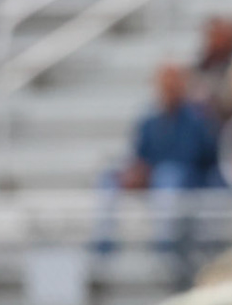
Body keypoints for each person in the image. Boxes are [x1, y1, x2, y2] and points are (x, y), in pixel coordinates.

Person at [90, 62, 223, 267]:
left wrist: (150, 170)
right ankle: (102, 245)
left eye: (173, 83)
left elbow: (194, 156)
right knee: (109, 178)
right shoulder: (149, 121)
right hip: (154, 177)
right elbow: (139, 155)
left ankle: (164, 246)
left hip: (187, 179)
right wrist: (134, 173)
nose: (168, 89)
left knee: (168, 175)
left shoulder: (196, 118)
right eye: (164, 84)